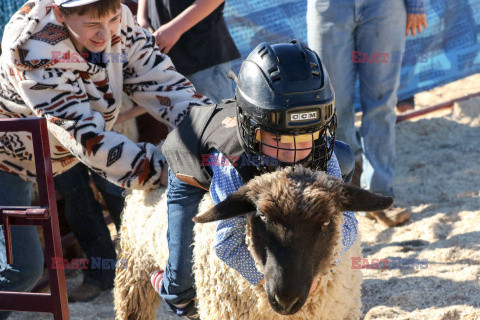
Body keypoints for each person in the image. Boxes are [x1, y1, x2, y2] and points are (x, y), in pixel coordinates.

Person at [0, 0, 209, 317]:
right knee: (23, 268)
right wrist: (168, 170)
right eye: (92, 25)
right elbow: (88, 140)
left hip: (61, 148)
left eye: (112, 19)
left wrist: (209, 131)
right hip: (9, 159)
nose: (106, 33)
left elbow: (156, 77)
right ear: (59, 12)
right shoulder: (31, 46)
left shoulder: (115, 16)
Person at [149, 40, 357, 319]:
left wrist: (323, 267)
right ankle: (168, 285)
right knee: (183, 288)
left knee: (344, 157)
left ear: (321, 127)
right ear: (252, 129)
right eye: (277, 137)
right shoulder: (230, 161)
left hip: (259, 158)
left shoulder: (321, 148)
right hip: (191, 162)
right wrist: (264, 280)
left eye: (305, 134)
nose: (292, 151)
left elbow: (350, 222)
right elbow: (227, 243)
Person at [306, 0, 428, 227]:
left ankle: (378, 196)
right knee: (330, 103)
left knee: (381, 103)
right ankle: (345, 182)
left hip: (384, 6)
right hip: (329, 7)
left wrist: (416, 4)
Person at [136, 0, 240, 104]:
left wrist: (175, 28)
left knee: (217, 117)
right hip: (165, 65)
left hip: (203, 59)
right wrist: (142, 20)